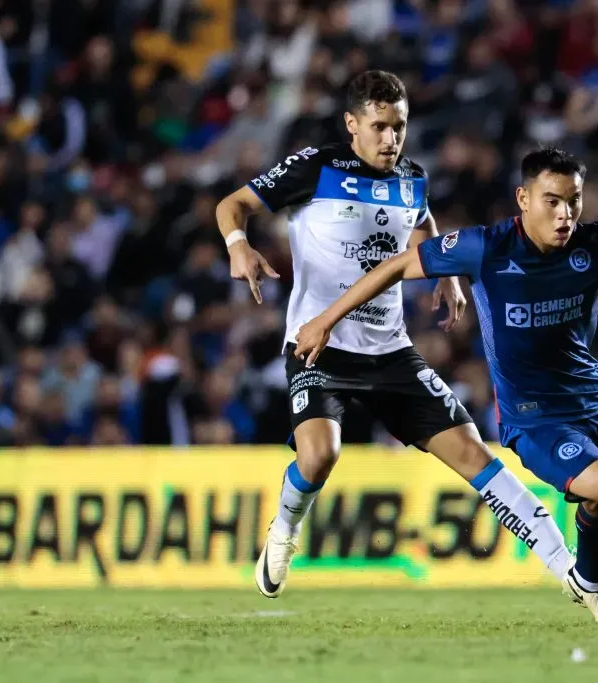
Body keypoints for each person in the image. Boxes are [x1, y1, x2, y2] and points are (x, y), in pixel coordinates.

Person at [295, 147, 598, 625]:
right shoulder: (486, 247)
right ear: (523, 199)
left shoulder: (597, 244)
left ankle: (590, 585)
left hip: (594, 404)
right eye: (552, 201)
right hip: (533, 417)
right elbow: (395, 267)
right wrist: (326, 320)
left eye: (574, 200)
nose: (565, 214)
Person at [215, 71, 576, 606]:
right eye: (379, 127)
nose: (390, 139)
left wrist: (447, 276)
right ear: (352, 124)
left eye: (399, 127)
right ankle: (284, 530)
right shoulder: (317, 167)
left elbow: (423, 222)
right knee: (319, 457)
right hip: (319, 345)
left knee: (474, 453)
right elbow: (232, 204)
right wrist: (238, 245)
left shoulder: (413, 177)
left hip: (390, 350)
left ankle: (571, 572)